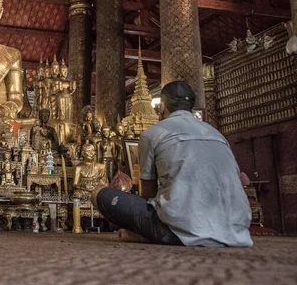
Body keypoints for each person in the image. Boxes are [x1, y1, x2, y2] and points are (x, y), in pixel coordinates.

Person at [91, 81, 252, 247]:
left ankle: (152, 235)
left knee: (97, 193)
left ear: (161, 106)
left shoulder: (153, 134)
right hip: (236, 229)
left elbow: (148, 192)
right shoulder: (217, 135)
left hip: (182, 227)